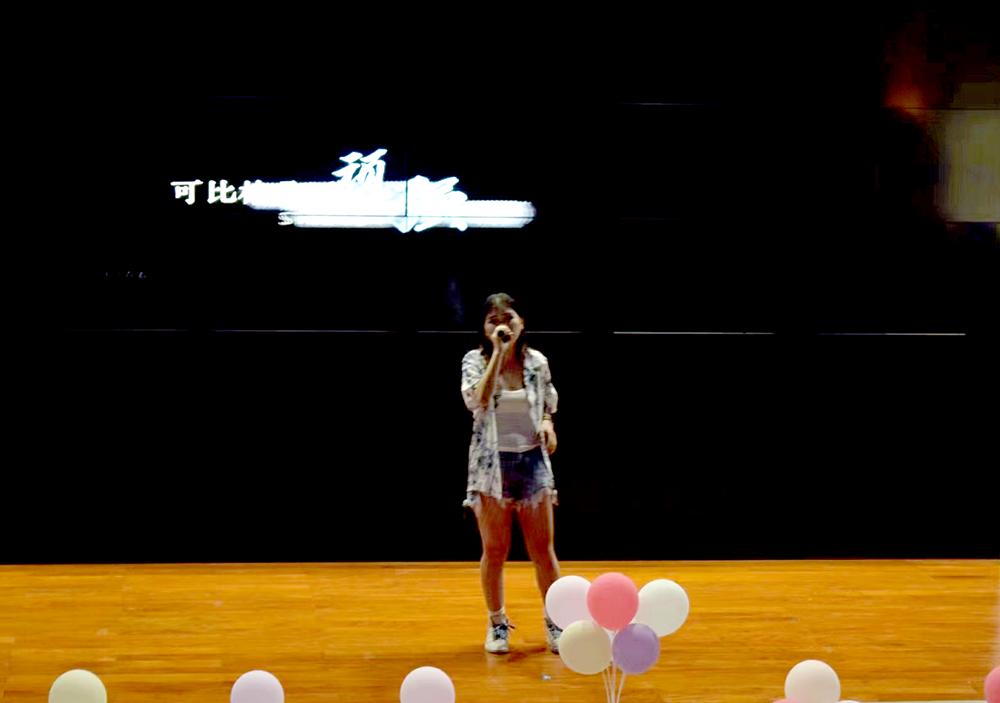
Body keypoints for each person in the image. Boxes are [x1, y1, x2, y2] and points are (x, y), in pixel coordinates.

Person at [460, 293, 563, 654]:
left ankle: (556, 622)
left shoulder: (536, 362)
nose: (502, 324)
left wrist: (547, 422)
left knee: (543, 551)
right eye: (493, 319)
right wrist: (498, 353)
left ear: (521, 322)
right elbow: (477, 400)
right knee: (495, 550)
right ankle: (497, 624)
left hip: (532, 462)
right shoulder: (475, 360)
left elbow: (548, 399)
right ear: (485, 327)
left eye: (509, 317)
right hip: (492, 467)